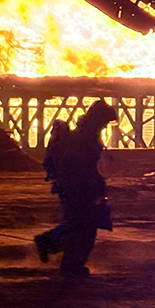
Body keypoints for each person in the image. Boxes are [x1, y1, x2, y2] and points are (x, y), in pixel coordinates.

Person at [35, 100, 117, 277]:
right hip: (78, 188)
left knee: (79, 225)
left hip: (74, 187)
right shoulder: (86, 137)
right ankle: (59, 253)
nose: (105, 126)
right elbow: (82, 165)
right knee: (83, 227)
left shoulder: (85, 134)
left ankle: (66, 261)